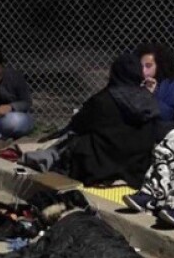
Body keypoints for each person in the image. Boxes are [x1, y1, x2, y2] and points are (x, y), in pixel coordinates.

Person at [65, 53, 165, 187]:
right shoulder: (148, 100)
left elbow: (77, 125)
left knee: (80, 140)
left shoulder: (102, 100)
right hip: (136, 172)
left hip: (100, 170)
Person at [136, 41, 174, 123]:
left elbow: (167, 115)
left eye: (148, 66)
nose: (143, 70)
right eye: (141, 66)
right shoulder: (135, 80)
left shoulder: (172, 84)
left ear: (159, 65)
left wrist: (152, 95)